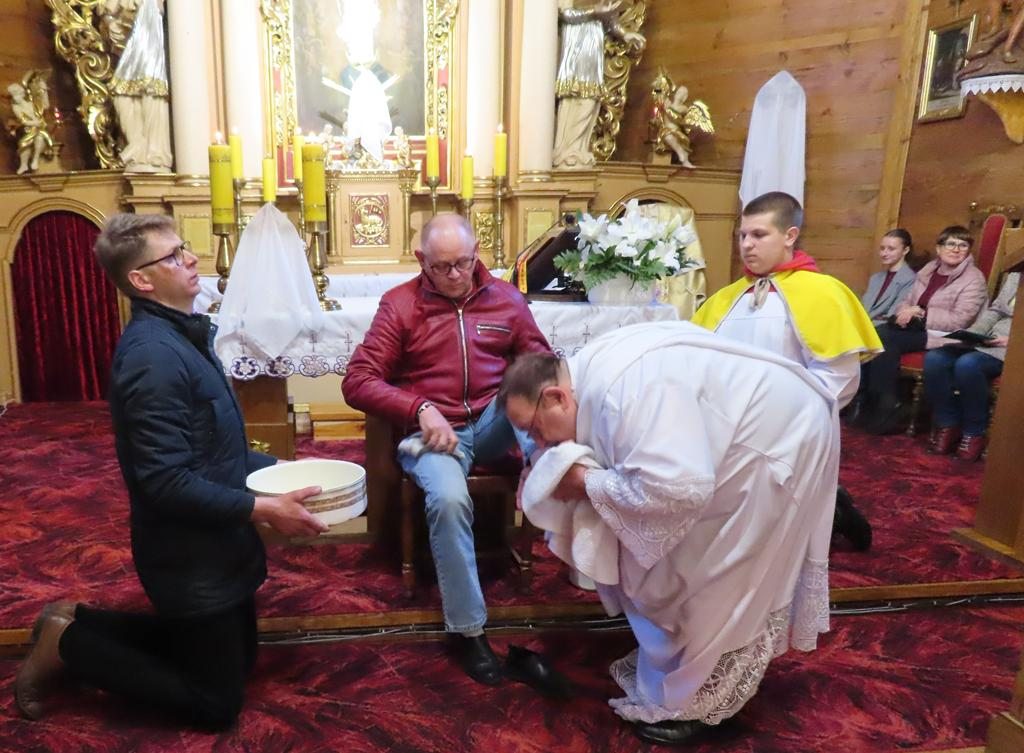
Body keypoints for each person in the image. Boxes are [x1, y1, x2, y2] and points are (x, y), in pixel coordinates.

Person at [13, 213, 327, 728]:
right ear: (141, 279)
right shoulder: (153, 357)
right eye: (175, 255)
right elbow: (163, 481)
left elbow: (216, 450)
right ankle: (67, 644)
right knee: (216, 706)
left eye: (184, 248)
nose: (192, 259)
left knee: (238, 662)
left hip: (219, 538)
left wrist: (283, 470)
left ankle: (77, 621)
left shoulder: (182, 335)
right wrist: (266, 508)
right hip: (187, 552)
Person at [499, 323, 837, 746]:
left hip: (775, 440)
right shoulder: (586, 377)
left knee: (721, 572)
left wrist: (584, 482)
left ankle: (697, 704)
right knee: (686, 565)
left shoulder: (623, 395)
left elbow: (678, 489)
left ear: (556, 397)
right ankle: (683, 668)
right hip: (745, 431)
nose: (538, 442)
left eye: (534, 429)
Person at [341, 213, 550, 685]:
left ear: (477, 255)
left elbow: (540, 365)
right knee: (450, 500)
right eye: (442, 267)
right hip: (433, 436)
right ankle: (468, 631)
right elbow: (357, 380)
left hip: (491, 424)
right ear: (422, 261)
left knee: (530, 392)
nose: (456, 275)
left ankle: (547, 476)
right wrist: (419, 408)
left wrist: (534, 410)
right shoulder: (400, 305)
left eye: (464, 263)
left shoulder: (507, 299)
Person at [690, 191, 881, 551]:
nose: (747, 244)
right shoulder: (726, 299)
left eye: (759, 235)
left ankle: (837, 514)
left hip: (788, 434)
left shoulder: (824, 294)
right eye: (743, 235)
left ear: (790, 235)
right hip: (727, 434)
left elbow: (838, 378)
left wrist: (783, 419)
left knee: (776, 537)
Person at [856, 225, 988, 435]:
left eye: (962, 245)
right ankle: (879, 402)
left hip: (946, 336)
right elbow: (907, 301)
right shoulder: (928, 271)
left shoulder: (973, 278)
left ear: (968, 250)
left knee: (884, 338)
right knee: (879, 335)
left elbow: (961, 320)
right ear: (939, 248)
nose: (956, 249)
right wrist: (904, 311)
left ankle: (885, 404)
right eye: (950, 244)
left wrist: (921, 313)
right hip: (917, 329)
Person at [923, 271, 1018, 461]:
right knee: (935, 359)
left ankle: (974, 432)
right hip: (989, 339)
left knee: (968, 365)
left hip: (1014, 347)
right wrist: (974, 334)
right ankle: (949, 424)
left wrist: (1014, 339)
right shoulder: (1017, 274)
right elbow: (996, 311)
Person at [553, 0, 644, 168]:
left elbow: (609, 19)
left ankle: (579, 150)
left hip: (593, 50)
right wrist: (594, 11)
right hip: (576, 51)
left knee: (592, 101)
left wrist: (624, 34)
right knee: (577, 99)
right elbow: (564, 14)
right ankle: (566, 152)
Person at [861, 229, 917, 325]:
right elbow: (863, 308)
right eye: (882, 248)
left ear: (905, 250)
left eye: (891, 249)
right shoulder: (875, 278)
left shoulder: (911, 279)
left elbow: (893, 316)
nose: (884, 253)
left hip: (882, 329)